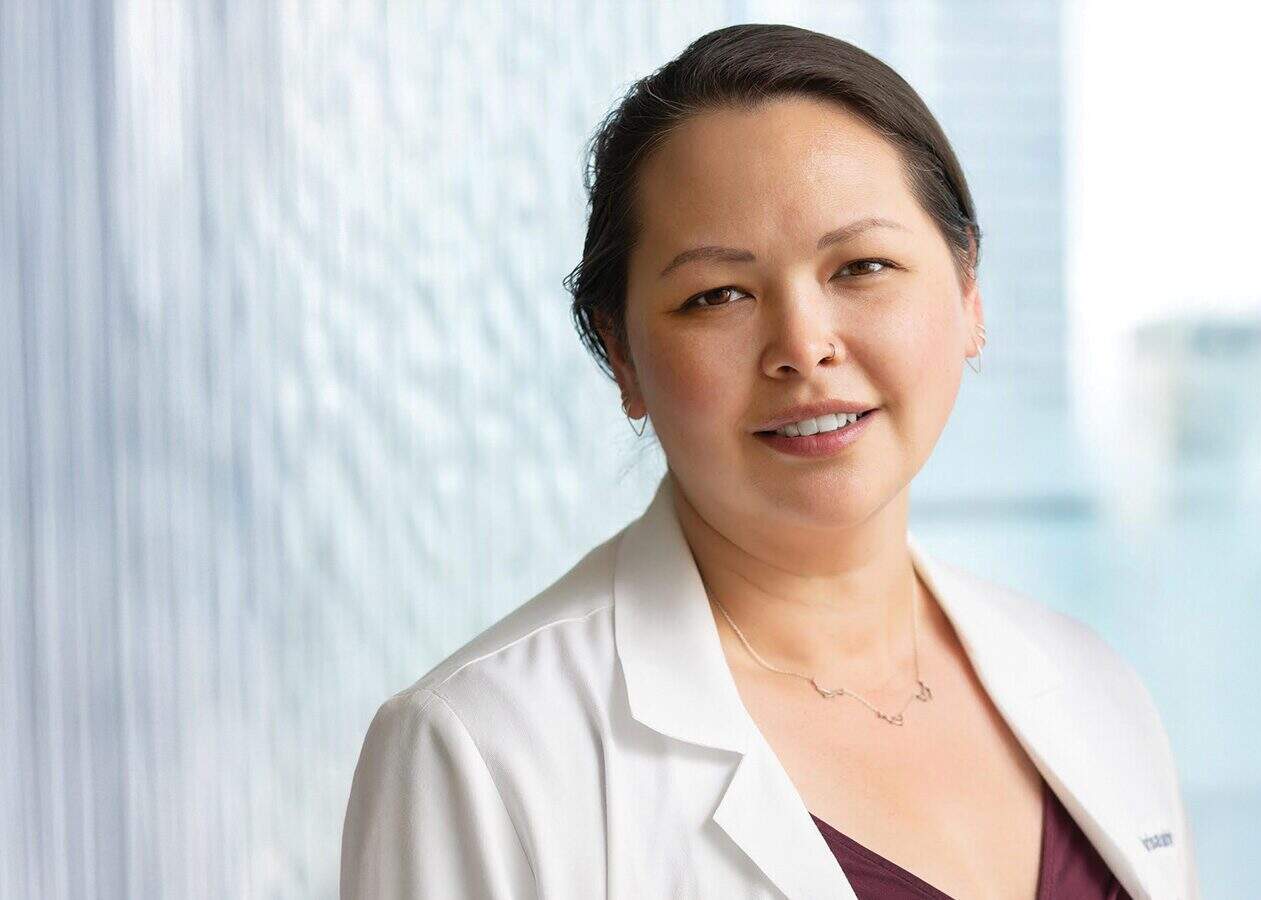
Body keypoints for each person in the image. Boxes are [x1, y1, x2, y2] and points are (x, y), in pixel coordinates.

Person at [340, 22, 1200, 900]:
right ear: (623, 357)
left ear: (968, 291)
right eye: (718, 295)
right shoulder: (484, 752)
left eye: (862, 266)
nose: (802, 346)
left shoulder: (1094, 691)